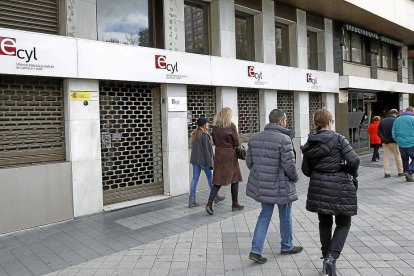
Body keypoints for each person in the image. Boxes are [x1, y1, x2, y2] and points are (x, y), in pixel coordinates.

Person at [301, 109, 360, 276]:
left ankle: (326, 258)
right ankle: (331, 258)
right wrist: (347, 170)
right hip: (340, 185)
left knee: (325, 223)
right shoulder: (339, 139)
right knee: (343, 223)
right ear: (330, 122)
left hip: (319, 187)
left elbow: (306, 170)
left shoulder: (309, 142)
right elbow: (354, 159)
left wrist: (319, 172)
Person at [246, 109, 303, 264]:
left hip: (263, 185)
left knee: (264, 215)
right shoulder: (284, 139)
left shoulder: (254, 138)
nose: (286, 123)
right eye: (285, 120)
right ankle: (287, 246)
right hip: (282, 186)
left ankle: (255, 250)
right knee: (285, 216)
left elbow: (249, 162)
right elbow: (289, 166)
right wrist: (295, 178)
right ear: (280, 121)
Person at [205, 107, 244, 215]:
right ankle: (234, 203)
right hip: (230, 155)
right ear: (228, 115)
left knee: (219, 179)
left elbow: (214, 141)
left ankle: (210, 203)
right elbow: (236, 142)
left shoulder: (215, 128)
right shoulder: (231, 126)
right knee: (234, 178)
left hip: (219, 154)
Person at [188, 117, 225, 208]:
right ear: (204, 125)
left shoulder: (195, 133)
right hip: (204, 161)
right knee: (211, 178)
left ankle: (191, 200)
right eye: (207, 124)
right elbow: (207, 151)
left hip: (195, 160)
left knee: (195, 179)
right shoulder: (204, 135)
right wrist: (211, 164)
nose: (208, 125)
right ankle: (215, 196)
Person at [377, 109, 404, 178]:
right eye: (396, 114)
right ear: (395, 113)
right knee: (397, 156)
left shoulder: (382, 121)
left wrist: (383, 139)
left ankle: (387, 173)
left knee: (386, 158)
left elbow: (379, 132)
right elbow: (398, 131)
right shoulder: (396, 120)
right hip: (394, 142)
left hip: (385, 143)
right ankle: (400, 172)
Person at [392, 106, 414, 182]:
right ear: (412, 112)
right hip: (411, 143)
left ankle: (407, 173)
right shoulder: (412, 119)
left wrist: (397, 140)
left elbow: (393, 133)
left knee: (405, 159)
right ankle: (409, 172)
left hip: (401, 144)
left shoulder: (397, 119)